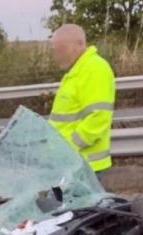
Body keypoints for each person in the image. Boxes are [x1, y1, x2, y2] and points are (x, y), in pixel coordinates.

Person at [48, 24, 116, 183]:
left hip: (83, 166)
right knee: (63, 207)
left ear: (79, 45)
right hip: (72, 164)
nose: (57, 56)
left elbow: (98, 119)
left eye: (62, 49)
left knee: (62, 208)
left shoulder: (94, 69)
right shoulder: (77, 71)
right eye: (55, 51)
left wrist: (69, 148)